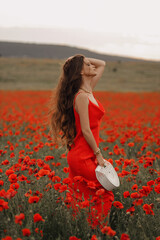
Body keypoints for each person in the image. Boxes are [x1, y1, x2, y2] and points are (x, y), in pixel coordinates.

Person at [48, 54, 114, 228]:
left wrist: (77, 58)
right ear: (80, 71)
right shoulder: (82, 97)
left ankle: (83, 230)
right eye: (87, 64)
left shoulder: (89, 89)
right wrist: (98, 155)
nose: (92, 65)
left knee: (83, 199)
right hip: (83, 156)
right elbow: (85, 130)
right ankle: (97, 231)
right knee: (105, 193)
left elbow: (103, 63)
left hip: (84, 154)